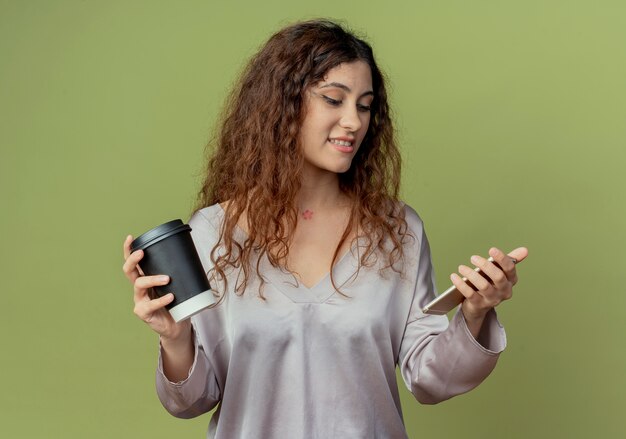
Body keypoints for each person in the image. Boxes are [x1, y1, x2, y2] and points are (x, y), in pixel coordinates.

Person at [122, 19, 528, 439]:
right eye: (334, 99)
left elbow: (430, 378)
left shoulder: (397, 231)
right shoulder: (212, 233)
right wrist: (173, 337)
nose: (353, 121)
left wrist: (475, 314)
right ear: (282, 104)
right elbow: (191, 400)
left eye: (365, 105)